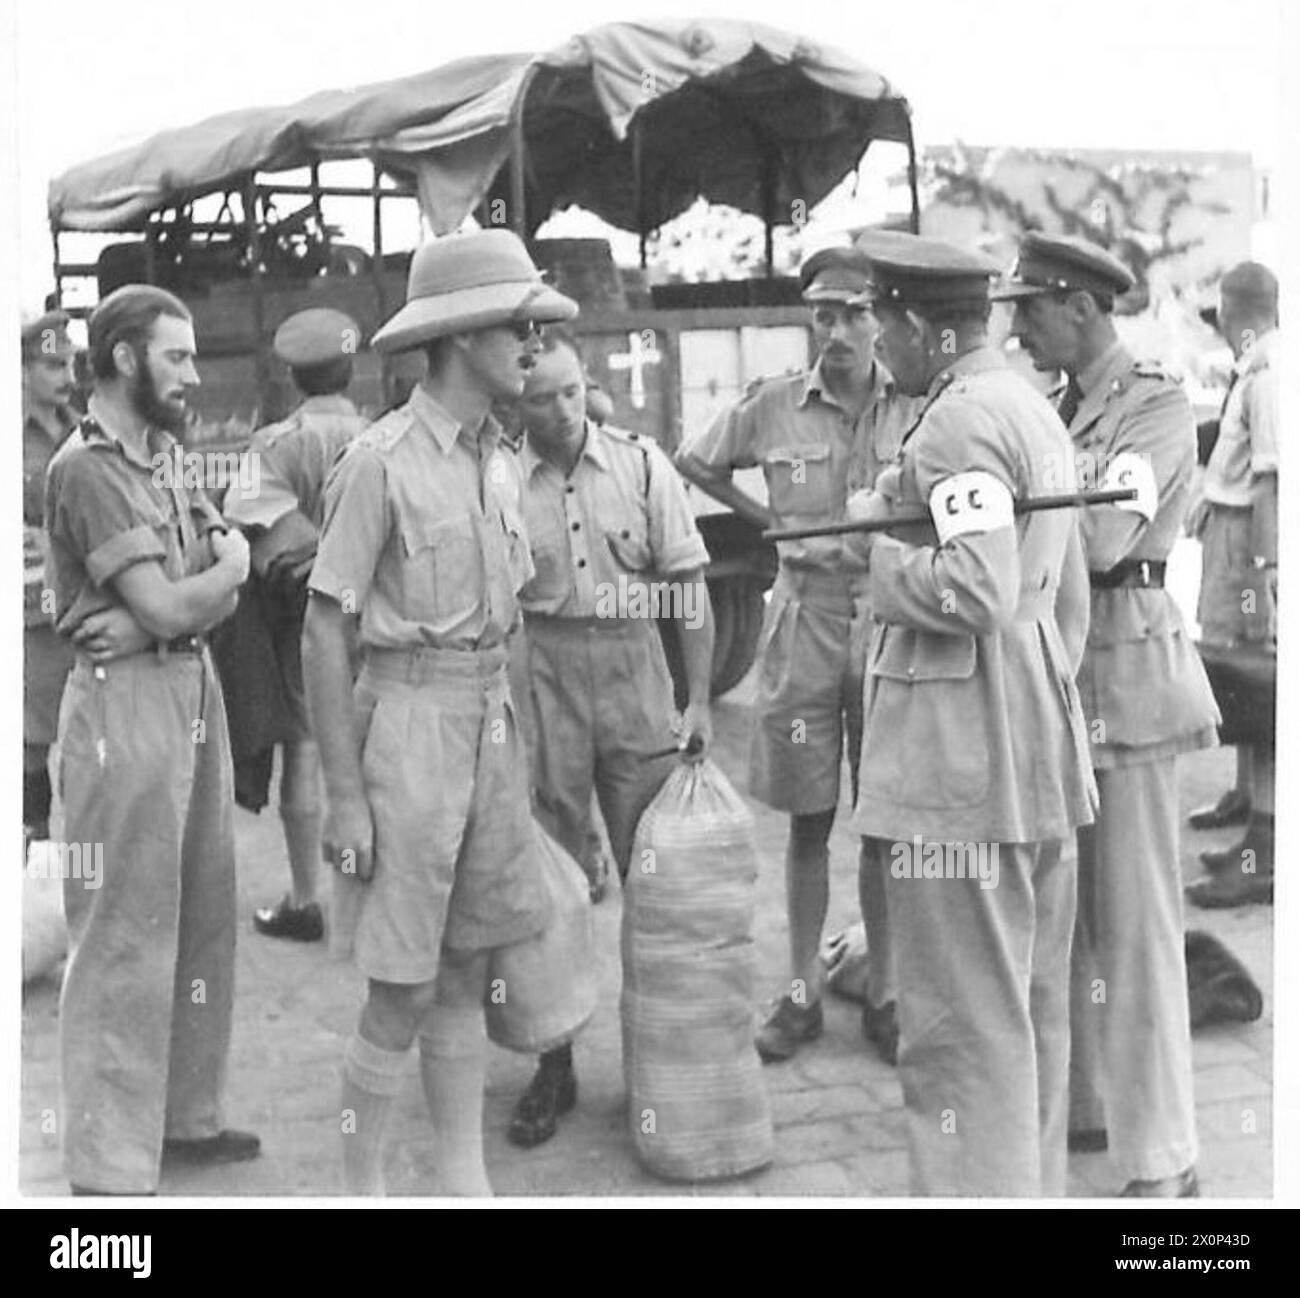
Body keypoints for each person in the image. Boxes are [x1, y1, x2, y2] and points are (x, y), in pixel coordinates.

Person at [303, 229, 577, 1196]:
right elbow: (324, 630)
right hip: (410, 729)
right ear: (461, 337)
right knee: (400, 988)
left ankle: (465, 1186)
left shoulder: (499, 460)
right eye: (518, 326)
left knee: (467, 967)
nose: (533, 344)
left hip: (487, 721)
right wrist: (343, 798)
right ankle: (361, 1191)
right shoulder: (379, 462)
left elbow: (512, 626)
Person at [846, 230, 1095, 1197]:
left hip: (961, 757)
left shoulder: (954, 423)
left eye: (880, 324)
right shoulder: (1030, 408)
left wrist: (878, 552)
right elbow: (1058, 598)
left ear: (914, 324)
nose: (879, 347)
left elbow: (977, 591)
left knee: (958, 1036)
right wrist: (1036, 703)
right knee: (1027, 1016)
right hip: (1031, 730)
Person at [998, 230, 1220, 1197]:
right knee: (1071, 923)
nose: (1015, 326)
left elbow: (1100, 540)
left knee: (1135, 930)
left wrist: (1011, 510)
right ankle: (1091, 1113)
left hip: (1128, 680)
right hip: (1065, 678)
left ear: (1080, 307)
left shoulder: (1156, 407)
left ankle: (1163, 1160)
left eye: (1028, 309)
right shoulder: (1059, 410)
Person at [676, 246, 922, 1065]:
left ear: (880, 317)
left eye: (856, 312)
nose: (840, 330)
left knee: (886, 821)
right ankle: (800, 994)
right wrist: (762, 518)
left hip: (890, 620)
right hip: (809, 618)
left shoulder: (918, 402)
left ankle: (886, 992)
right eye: (824, 313)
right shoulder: (776, 404)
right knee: (808, 822)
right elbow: (696, 459)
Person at [45, 285, 259, 1194]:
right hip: (122, 709)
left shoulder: (166, 453)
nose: (193, 374)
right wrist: (192, 597)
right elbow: (185, 593)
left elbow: (222, 576)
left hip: (184, 683)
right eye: (177, 356)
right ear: (126, 357)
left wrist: (209, 585)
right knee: (124, 929)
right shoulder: (85, 468)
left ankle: (185, 1120)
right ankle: (107, 1161)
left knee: (204, 911)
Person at [506, 328, 714, 1148]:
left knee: (654, 879)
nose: (557, 412)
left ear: (585, 387)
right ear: (514, 403)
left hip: (634, 671)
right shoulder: (497, 479)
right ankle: (552, 1064)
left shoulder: (640, 464)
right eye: (537, 398)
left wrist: (699, 701)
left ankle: (661, 1061)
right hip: (545, 671)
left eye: (567, 392)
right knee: (549, 888)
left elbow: (686, 584)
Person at [220, 307, 368, 940]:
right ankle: (376, 902)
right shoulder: (382, 436)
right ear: (352, 369)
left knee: (305, 757)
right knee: (378, 758)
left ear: (292, 375)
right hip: (382, 618)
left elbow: (246, 536)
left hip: (303, 624)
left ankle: (307, 900)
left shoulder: (276, 445)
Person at [1184, 262, 1278, 908]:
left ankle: (1265, 852)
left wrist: (1267, 574)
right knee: (1237, 680)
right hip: (1233, 537)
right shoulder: (1254, 370)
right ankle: (1247, 802)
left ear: (1235, 313)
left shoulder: (1269, 373)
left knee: (1261, 687)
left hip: (1252, 548)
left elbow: (1272, 479)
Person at [22, 310, 79, 846]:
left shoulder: (79, 428)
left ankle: (77, 858)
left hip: (80, 603)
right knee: (31, 737)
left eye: (70, 363)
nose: (66, 375)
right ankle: (31, 848)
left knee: (84, 737)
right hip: (29, 611)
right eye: (52, 364)